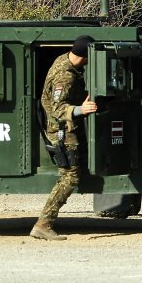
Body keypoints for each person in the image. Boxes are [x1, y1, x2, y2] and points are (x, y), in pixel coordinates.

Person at [30, 35, 97, 241]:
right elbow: (58, 109)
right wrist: (81, 109)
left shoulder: (64, 60)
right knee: (70, 176)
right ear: (84, 56)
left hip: (67, 127)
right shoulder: (65, 76)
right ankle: (43, 224)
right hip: (62, 129)